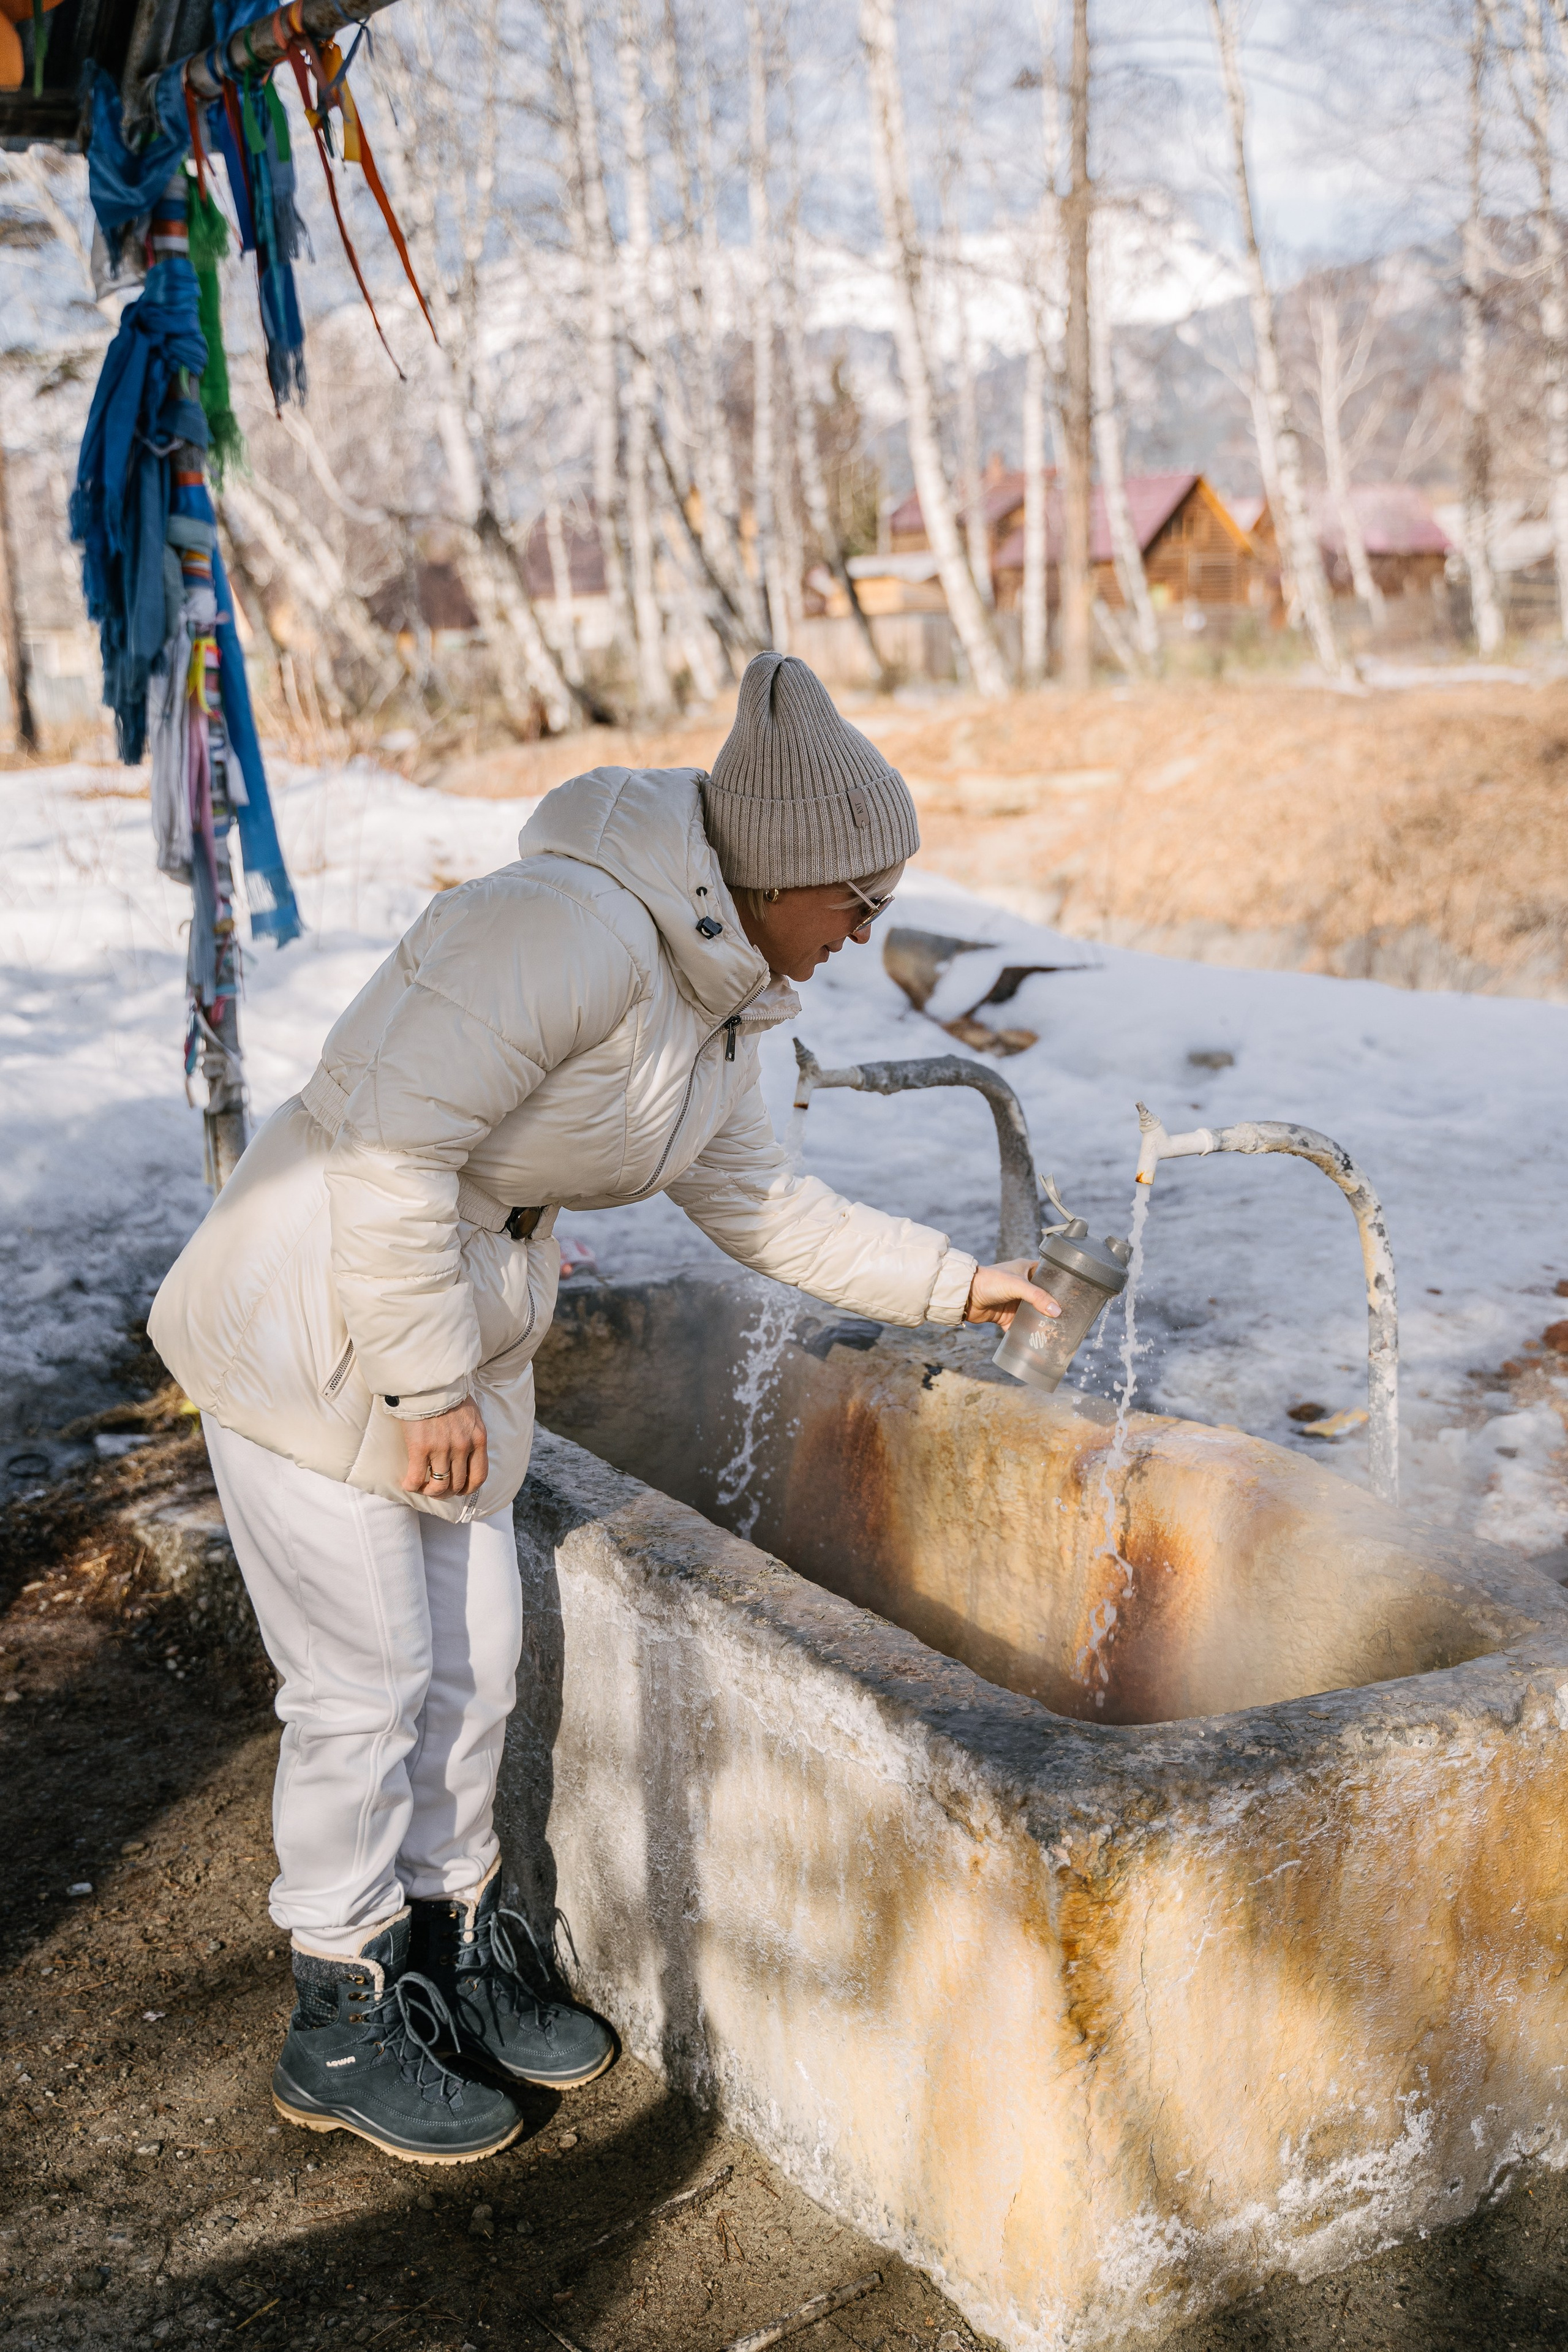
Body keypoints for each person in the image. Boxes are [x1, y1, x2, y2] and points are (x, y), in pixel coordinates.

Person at [149, 652, 1060, 2165]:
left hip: (455, 1324)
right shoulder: (555, 931)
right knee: (364, 1682)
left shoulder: (722, 1001)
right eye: (857, 900)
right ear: (775, 873)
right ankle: (340, 2006)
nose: (864, 934)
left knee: (474, 1670)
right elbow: (381, 1148)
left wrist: (955, 1282)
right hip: (319, 1324)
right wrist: (426, 1379)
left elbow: (761, 1203)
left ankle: (442, 1954)